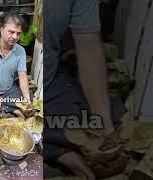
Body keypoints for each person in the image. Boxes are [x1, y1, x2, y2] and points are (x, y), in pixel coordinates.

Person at [44, 0, 117, 179]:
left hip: (48, 83)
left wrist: (104, 127)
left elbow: (88, 48)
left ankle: (50, 146)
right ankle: (55, 150)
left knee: (103, 121)